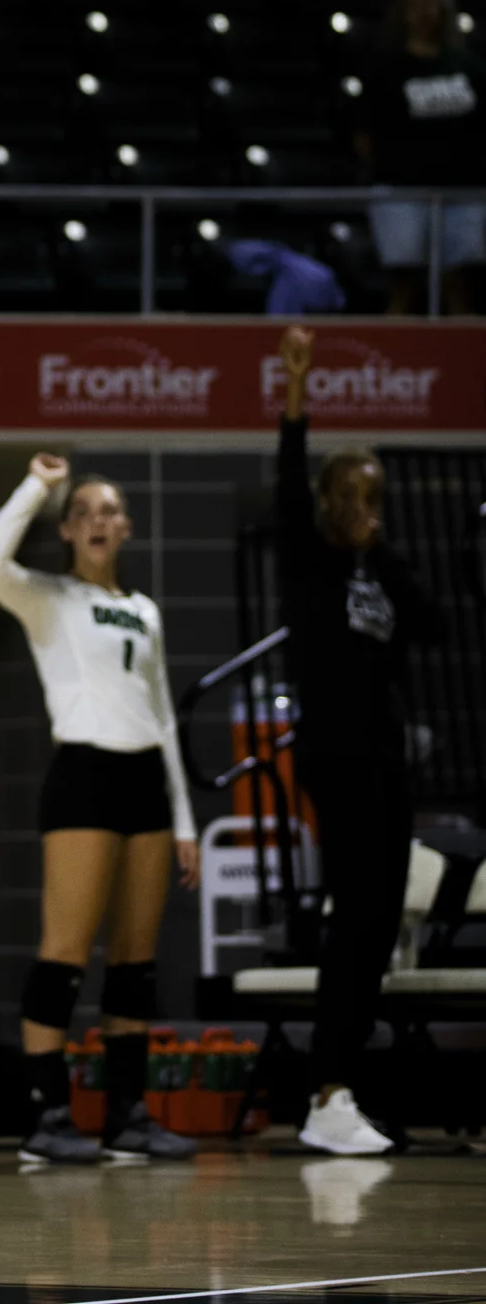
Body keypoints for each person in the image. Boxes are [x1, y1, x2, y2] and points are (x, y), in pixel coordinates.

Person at [0, 453, 199, 1167]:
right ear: (68, 530)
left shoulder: (143, 611)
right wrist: (37, 486)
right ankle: (47, 1115)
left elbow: (161, 715)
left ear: (125, 527)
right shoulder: (48, 599)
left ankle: (127, 1114)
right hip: (82, 775)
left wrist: (185, 821)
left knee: (134, 961)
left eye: (109, 512)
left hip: (145, 784)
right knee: (64, 952)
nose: (98, 522)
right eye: (85, 513)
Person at [275, 324, 439, 1156]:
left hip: (382, 758)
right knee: (355, 916)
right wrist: (296, 387)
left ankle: (341, 1088)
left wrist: (390, 554)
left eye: (376, 495)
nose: (366, 507)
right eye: (354, 493)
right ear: (327, 498)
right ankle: (325, 1087)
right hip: (334, 754)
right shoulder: (305, 559)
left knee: (377, 921)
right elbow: (283, 467)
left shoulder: (380, 570)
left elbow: (436, 626)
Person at [356, 0, 485, 316]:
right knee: (405, 282)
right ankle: (393, 366)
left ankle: (467, 365)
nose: (424, 11)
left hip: (462, 189)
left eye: (431, 2)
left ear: (444, 7)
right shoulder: (385, 66)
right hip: (403, 189)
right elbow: (364, 132)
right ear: (401, 11)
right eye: (414, 3)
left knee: (459, 283)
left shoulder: (467, 63)